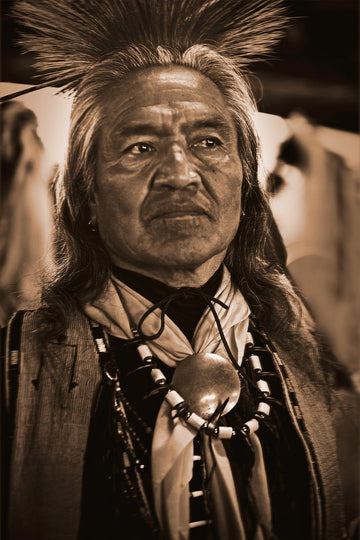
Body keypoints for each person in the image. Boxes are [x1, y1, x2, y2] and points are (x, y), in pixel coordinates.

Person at [2, 1, 357, 539]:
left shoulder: (309, 350)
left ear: (244, 179)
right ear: (87, 195)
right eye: (140, 147)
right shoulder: (17, 370)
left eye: (208, 142)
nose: (180, 174)